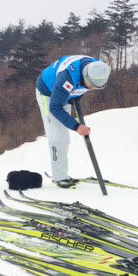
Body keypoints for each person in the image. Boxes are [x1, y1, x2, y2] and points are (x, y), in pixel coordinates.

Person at [35, 55, 111, 188]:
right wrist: (76, 126)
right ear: (85, 76)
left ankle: (61, 172)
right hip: (48, 95)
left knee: (65, 139)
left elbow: (81, 88)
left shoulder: (97, 68)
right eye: (90, 86)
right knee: (57, 136)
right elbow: (55, 107)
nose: (91, 89)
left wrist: (75, 98)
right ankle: (59, 177)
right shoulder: (66, 79)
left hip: (65, 94)